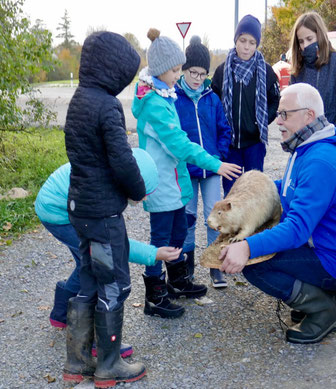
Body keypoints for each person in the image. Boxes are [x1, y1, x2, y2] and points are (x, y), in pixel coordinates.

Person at [219, 83, 336, 345]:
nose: (277, 121)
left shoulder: (319, 161)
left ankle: (323, 310)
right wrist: (244, 203)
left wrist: (247, 247)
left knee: (256, 263)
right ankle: (321, 294)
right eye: (278, 114)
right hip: (323, 250)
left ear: (309, 116)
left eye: (285, 114)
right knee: (257, 244)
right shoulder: (306, 148)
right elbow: (286, 190)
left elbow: (297, 229)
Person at [132, 28, 242, 320]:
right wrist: (215, 164)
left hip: (176, 181)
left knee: (180, 230)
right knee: (161, 239)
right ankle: (155, 296)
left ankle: (177, 281)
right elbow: (179, 143)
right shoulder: (154, 103)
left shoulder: (164, 93)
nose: (179, 75)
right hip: (162, 183)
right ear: (161, 70)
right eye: (176, 70)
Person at [35, 148, 182, 356]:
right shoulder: (102, 199)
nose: (142, 201)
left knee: (85, 263)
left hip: (54, 204)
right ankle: (97, 341)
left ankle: (61, 313)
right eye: (141, 195)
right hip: (58, 214)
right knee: (97, 268)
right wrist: (154, 254)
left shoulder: (107, 175)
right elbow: (115, 245)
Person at [63, 31, 147, 387]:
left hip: (79, 208)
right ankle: (109, 364)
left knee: (88, 279)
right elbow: (122, 159)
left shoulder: (79, 98)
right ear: (113, 70)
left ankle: (77, 361)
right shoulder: (107, 105)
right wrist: (138, 190)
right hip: (102, 215)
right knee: (112, 282)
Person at [174, 36, 232, 289]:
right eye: (193, 72)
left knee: (214, 216)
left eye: (202, 73)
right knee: (187, 217)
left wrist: (218, 156)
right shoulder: (174, 98)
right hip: (186, 169)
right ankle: (186, 267)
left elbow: (224, 130)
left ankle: (214, 265)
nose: (197, 78)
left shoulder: (212, 99)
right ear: (184, 71)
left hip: (211, 169)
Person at [212, 14, 280, 196]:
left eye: (252, 42)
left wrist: (262, 122)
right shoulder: (222, 70)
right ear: (236, 40)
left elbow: (276, 100)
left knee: (254, 193)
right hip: (230, 145)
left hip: (254, 145)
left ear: (256, 44)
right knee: (232, 194)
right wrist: (222, 127)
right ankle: (233, 225)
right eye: (243, 40)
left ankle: (255, 226)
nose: (246, 46)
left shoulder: (266, 71)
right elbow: (214, 103)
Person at [289, 11, 336, 171]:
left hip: (334, 143)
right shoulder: (297, 71)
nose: (305, 45)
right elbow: (291, 107)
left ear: (320, 35)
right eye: (301, 41)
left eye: (309, 39)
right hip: (305, 145)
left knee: (335, 191)